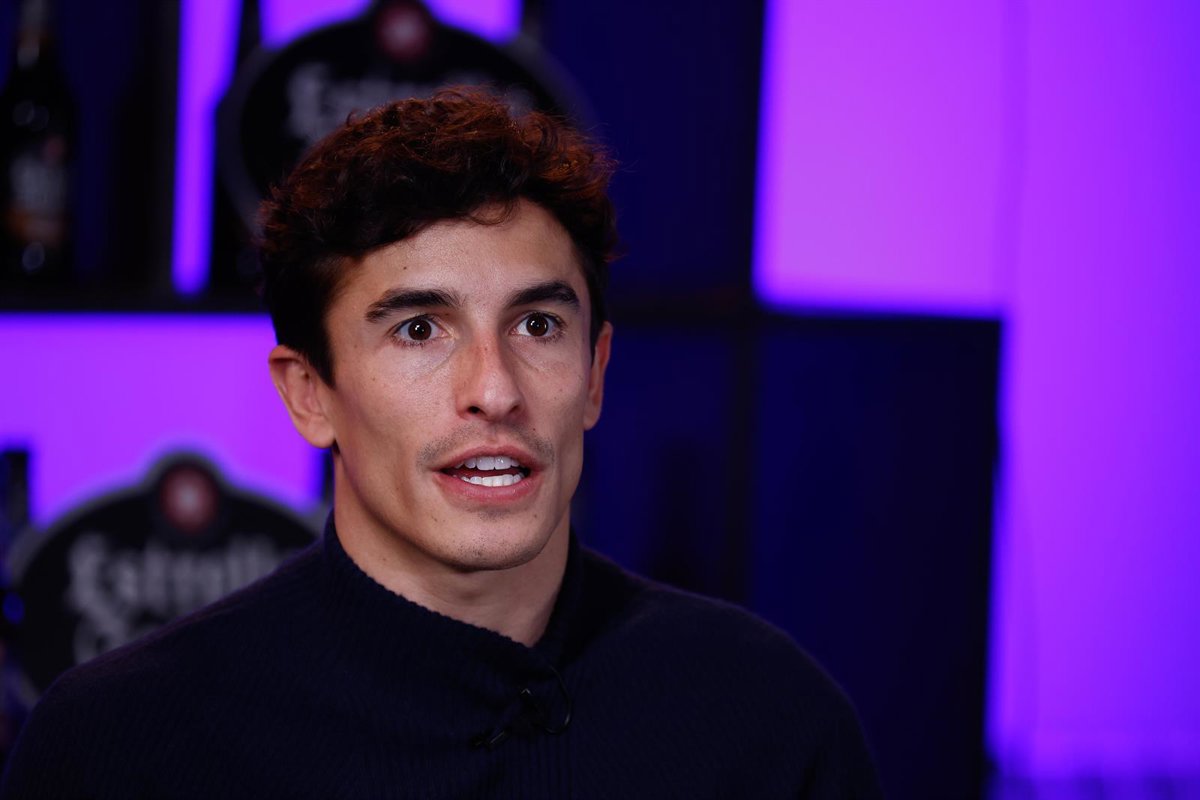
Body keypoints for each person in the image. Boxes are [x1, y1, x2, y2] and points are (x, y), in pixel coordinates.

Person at [1, 89, 882, 798]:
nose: (495, 390)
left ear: (596, 374)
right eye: (419, 330)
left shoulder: (767, 724)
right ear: (309, 394)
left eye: (538, 325)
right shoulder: (124, 745)